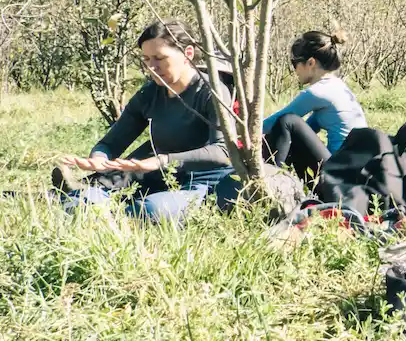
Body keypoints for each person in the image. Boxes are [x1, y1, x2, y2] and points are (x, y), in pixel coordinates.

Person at [54, 19, 234, 223]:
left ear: (188, 54)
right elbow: (111, 142)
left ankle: (106, 212)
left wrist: (162, 160)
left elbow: (223, 151)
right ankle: (85, 201)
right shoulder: (150, 93)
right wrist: (99, 158)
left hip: (204, 182)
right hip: (159, 175)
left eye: (159, 58)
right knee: (90, 195)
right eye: (147, 59)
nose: (152, 67)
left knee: (150, 209)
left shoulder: (213, 92)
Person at [261, 30, 368, 181]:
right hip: (352, 171)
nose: (295, 71)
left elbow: (275, 123)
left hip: (338, 175)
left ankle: (271, 183)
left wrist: (238, 132)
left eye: (294, 63)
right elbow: (305, 132)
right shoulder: (337, 86)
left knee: (287, 121)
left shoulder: (316, 93)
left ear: (310, 62)